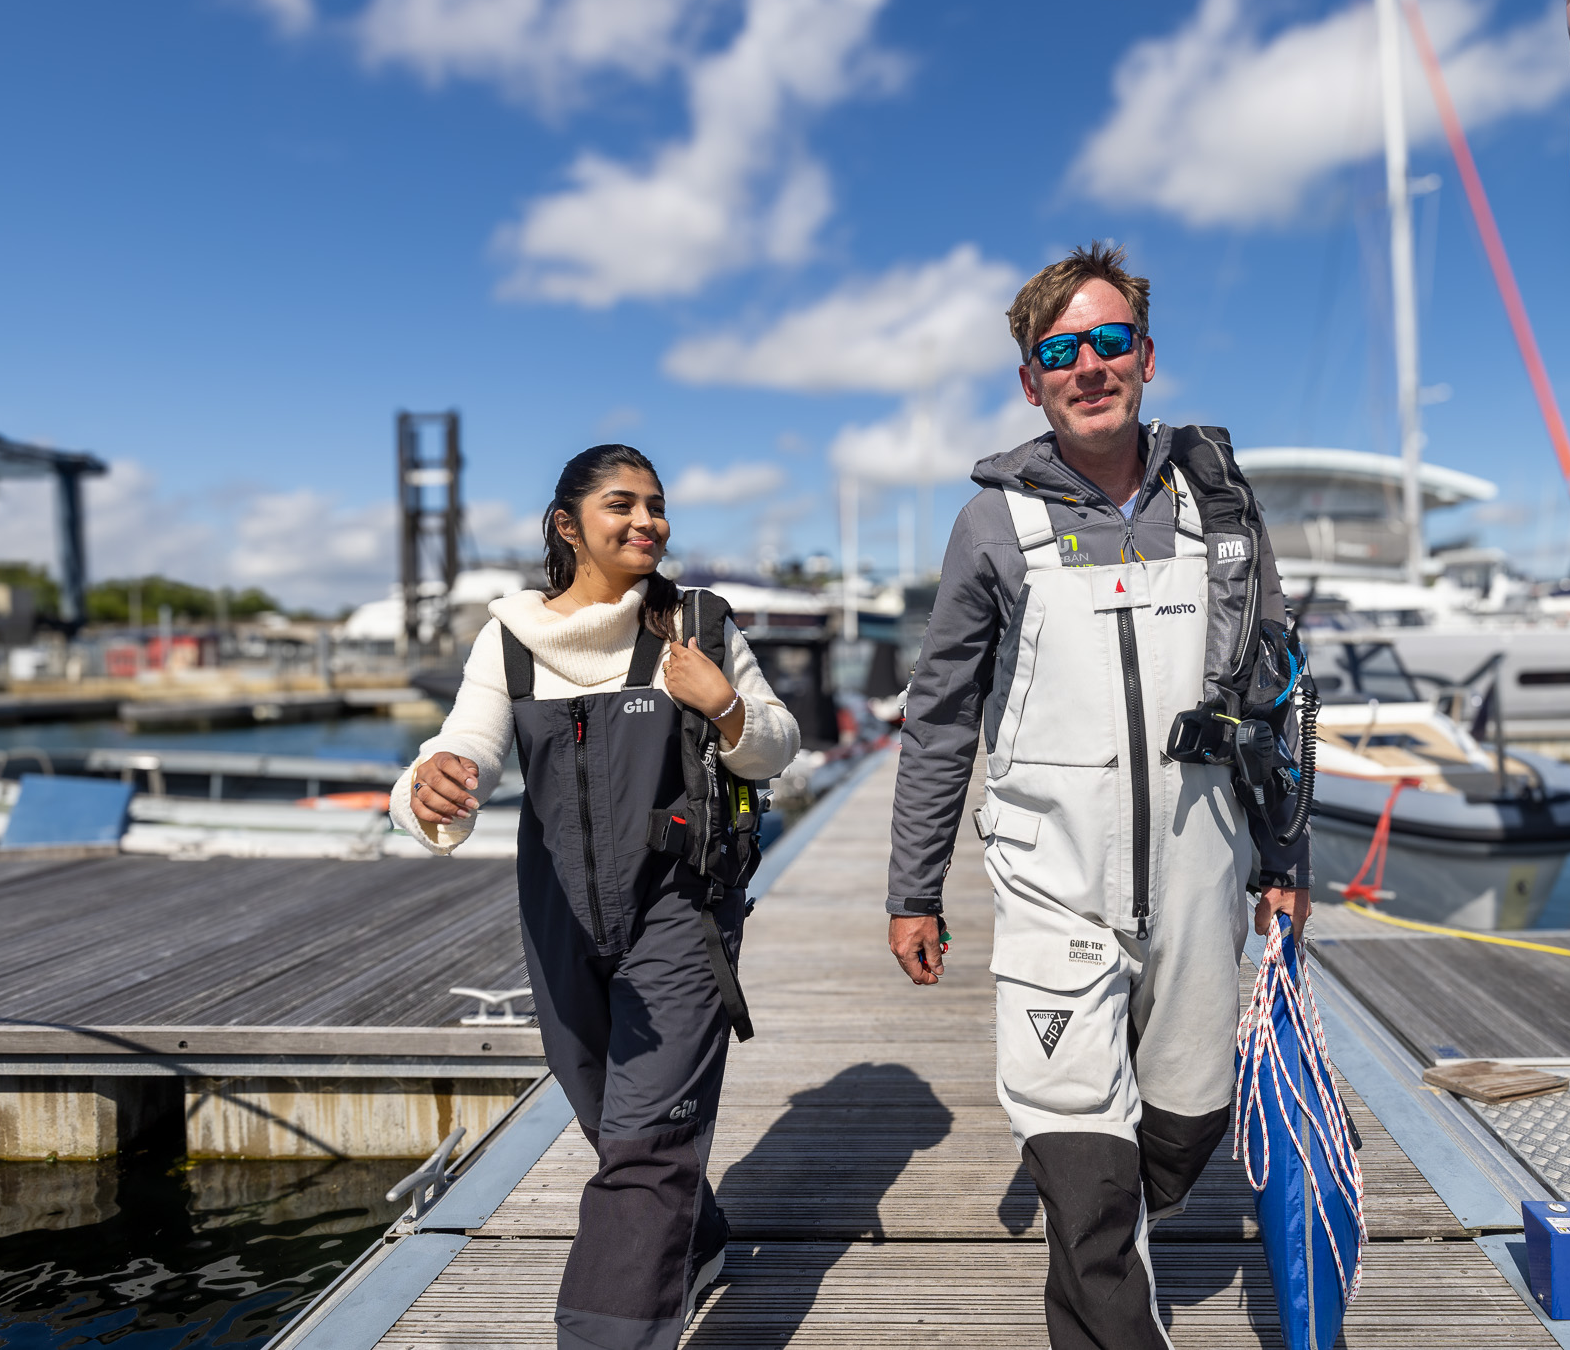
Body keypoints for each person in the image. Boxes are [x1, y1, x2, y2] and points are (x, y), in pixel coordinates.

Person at [887, 244, 1311, 1350]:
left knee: (1182, 1129)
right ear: (1031, 383)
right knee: (1078, 1158)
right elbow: (937, 719)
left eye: (1107, 342)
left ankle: (1126, 1215)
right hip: (1050, 891)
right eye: (1059, 352)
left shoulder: (1219, 505)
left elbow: (1275, 688)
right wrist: (912, 887)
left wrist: (1284, 860)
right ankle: (1103, 1272)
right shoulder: (990, 527)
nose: (1087, 366)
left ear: (1146, 358)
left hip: (1202, 881)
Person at [390, 444, 800, 1350]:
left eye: (657, 504)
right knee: (607, 1114)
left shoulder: (698, 623)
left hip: (681, 912)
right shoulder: (510, 637)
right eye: (623, 504)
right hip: (559, 914)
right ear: (568, 524)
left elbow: (777, 742)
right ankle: (697, 1242)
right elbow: (463, 747)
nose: (648, 520)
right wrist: (431, 785)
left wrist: (726, 706)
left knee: (647, 1141)